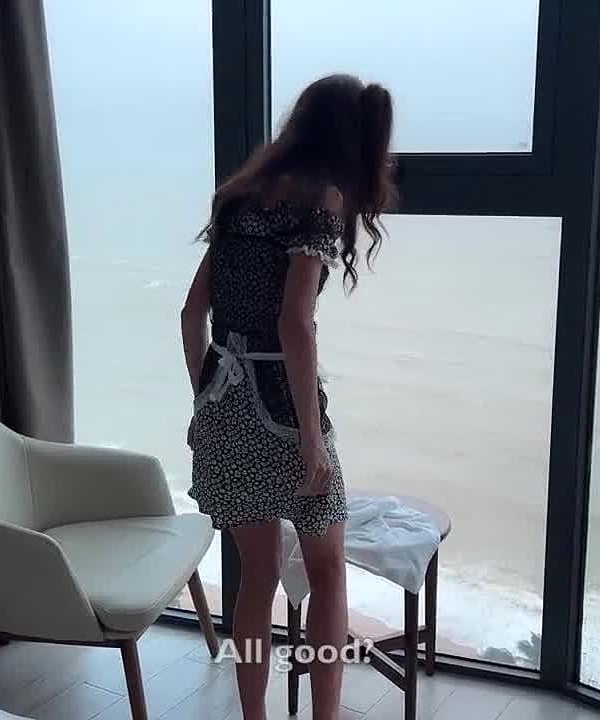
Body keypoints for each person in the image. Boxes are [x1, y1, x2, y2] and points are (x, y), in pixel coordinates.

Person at [180, 73, 395, 719]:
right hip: (281, 415)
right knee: (327, 572)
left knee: (258, 576)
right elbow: (294, 324)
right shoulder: (320, 200)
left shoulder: (235, 198)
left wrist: (206, 398)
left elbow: (192, 315)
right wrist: (310, 439)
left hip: (222, 408)